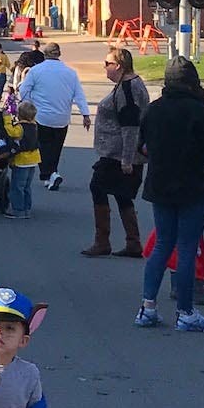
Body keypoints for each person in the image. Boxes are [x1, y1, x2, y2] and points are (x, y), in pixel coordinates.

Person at [135, 61, 204, 332]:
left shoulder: (154, 109)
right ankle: (185, 312)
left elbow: (143, 148)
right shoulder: (199, 111)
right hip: (192, 186)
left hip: (160, 184)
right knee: (187, 247)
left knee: (162, 244)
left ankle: (148, 307)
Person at [82, 47, 150, 257]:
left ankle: (103, 241)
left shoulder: (128, 88)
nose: (105, 68)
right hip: (117, 152)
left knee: (98, 187)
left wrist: (127, 159)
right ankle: (133, 242)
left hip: (119, 154)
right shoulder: (125, 85)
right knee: (122, 195)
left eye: (107, 64)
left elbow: (130, 127)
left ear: (119, 66)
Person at [16, 42, 90, 190]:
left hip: (41, 115)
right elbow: (79, 95)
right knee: (56, 148)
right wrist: (85, 114)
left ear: (45, 54)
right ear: (59, 54)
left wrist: (28, 103)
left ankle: (48, 174)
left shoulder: (36, 71)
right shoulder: (70, 73)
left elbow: (23, 90)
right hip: (62, 117)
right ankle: (52, 174)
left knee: (42, 147)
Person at [3, 101, 40, 218]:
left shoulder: (20, 128)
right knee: (27, 187)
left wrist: (7, 119)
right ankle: (26, 209)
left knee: (17, 186)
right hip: (33, 159)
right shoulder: (34, 125)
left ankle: (18, 210)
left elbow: (10, 131)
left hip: (22, 160)